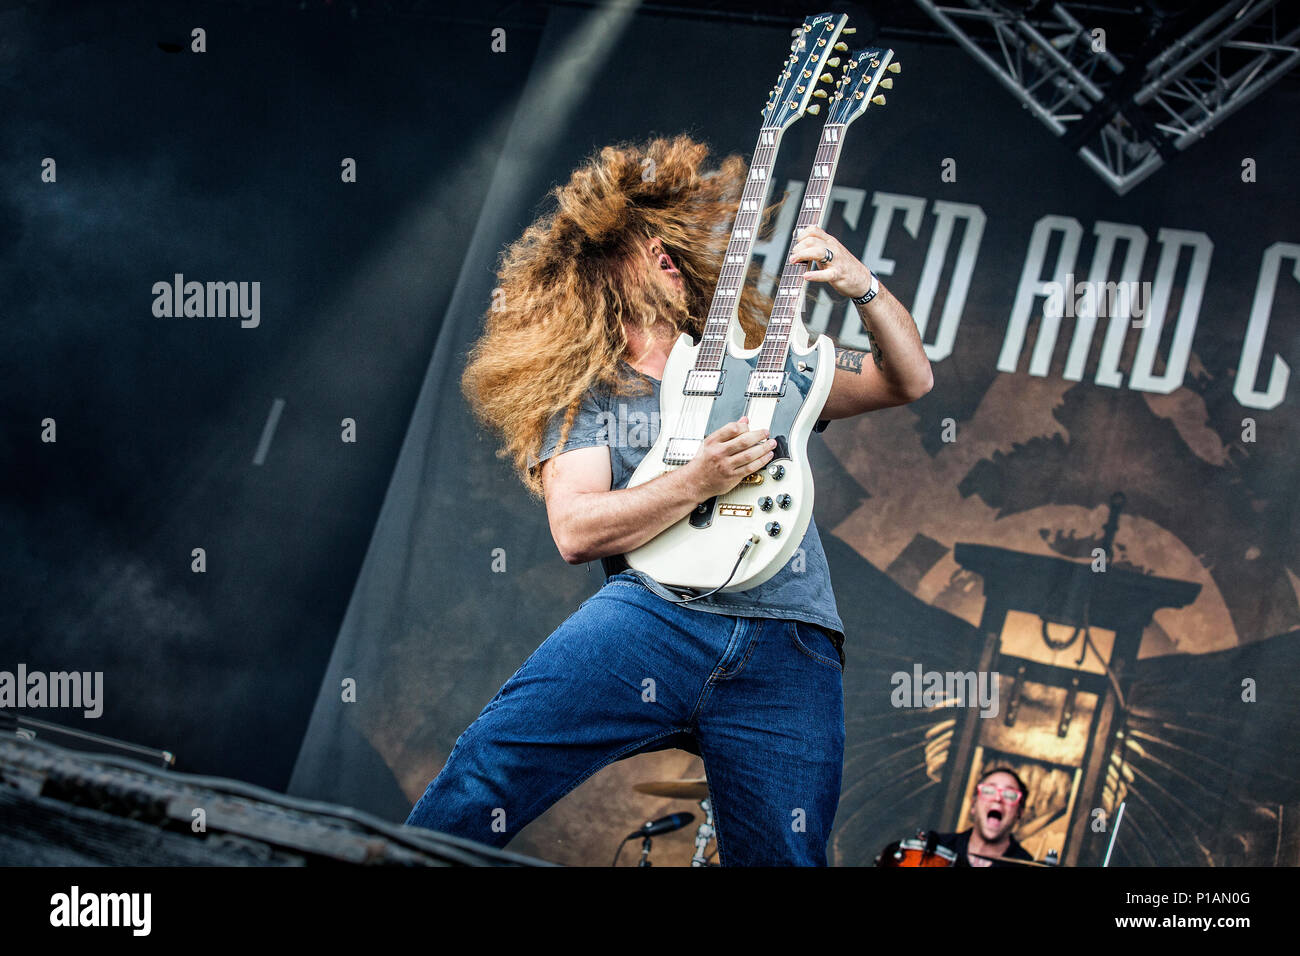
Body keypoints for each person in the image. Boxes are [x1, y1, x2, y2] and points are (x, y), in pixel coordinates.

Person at [404, 135, 933, 865]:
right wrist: (696, 479)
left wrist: (862, 286)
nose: (666, 254)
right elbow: (576, 528)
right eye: (644, 244)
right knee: (489, 772)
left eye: (669, 246)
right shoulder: (586, 395)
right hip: (654, 615)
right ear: (596, 268)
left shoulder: (764, 364)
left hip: (789, 638)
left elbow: (905, 381)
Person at [932, 767, 1037, 867]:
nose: (998, 798)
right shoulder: (937, 847)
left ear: (1019, 812)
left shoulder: (1026, 864)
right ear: (973, 805)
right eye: (989, 791)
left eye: (1009, 795)